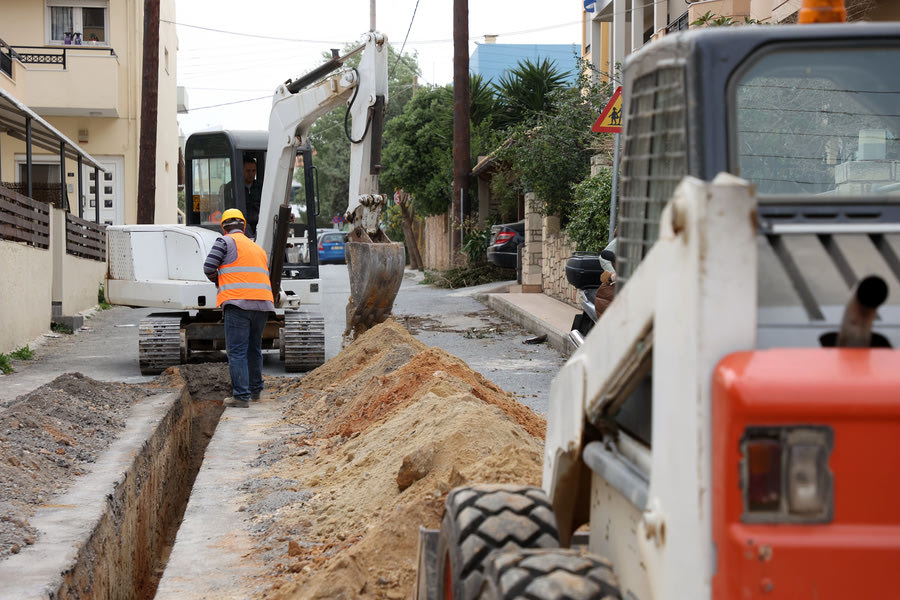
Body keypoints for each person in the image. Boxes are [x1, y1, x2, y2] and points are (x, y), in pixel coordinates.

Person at [203, 209, 275, 408]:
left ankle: (241, 396)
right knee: (254, 348)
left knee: (236, 351)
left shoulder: (224, 242)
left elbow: (209, 267)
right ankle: (255, 390)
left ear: (223, 227)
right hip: (262, 303)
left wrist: (219, 280)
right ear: (243, 226)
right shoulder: (256, 248)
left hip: (237, 303)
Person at [241, 157, 263, 239]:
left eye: (253, 171)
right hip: (242, 226)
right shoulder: (233, 187)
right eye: (248, 171)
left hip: (260, 225)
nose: (251, 174)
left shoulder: (261, 187)